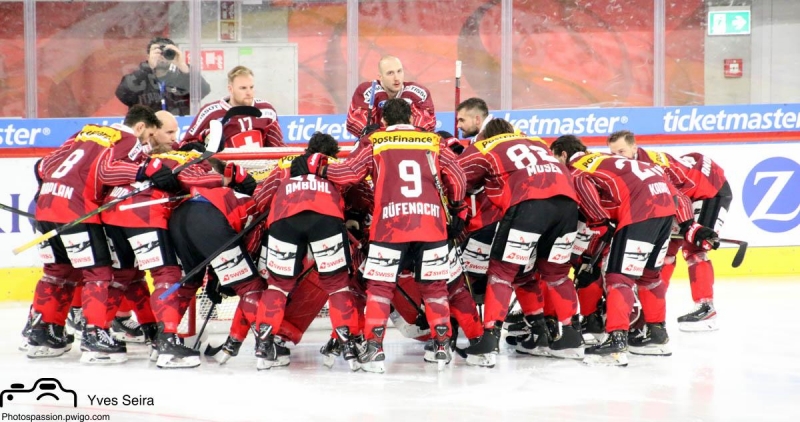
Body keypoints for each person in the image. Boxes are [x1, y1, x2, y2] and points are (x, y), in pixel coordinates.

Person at [292, 98, 466, 373]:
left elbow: (348, 174)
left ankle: (374, 349)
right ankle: (442, 346)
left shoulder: (376, 141)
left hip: (390, 226)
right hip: (430, 224)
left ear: (383, 120)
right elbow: (457, 176)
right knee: (434, 287)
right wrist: (456, 208)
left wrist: (317, 167)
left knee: (380, 288)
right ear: (412, 117)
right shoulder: (433, 141)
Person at [550, 136, 717, 365]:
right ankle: (657, 335)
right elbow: (677, 194)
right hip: (666, 211)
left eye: (555, 158)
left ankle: (616, 341)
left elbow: (591, 205)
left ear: (563, 155)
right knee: (650, 276)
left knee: (619, 278)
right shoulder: (610, 160)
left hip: (639, 212)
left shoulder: (577, 169)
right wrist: (689, 225)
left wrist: (596, 234)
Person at [33, 105, 174, 364]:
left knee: (56, 272)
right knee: (98, 274)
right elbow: (106, 171)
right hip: (77, 211)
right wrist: (144, 170)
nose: (147, 143)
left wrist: (50, 190)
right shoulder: (127, 139)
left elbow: (43, 166)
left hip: (45, 207)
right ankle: (94, 338)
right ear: (140, 127)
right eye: (149, 136)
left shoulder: (85, 132)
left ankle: (41, 334)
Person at [457, 119, 582, 362]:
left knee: (502, 272)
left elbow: (456, 177)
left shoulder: (485, 146)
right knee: (554, 273)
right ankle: (570, 336)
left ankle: (489, 339)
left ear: (484, 135)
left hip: (529, 203)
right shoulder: (537, 142)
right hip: (567, 204)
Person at [248, 133, 363, 370]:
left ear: (307, 149)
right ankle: (348, 346)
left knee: (277, 285)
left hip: (284, 221)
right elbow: (362, 197)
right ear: (332, 153)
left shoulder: (284, 164)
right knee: (337, 285)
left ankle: (263, 346)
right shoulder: (335, 166)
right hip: (326, 219)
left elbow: (260, 199)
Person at [607, 130, 730, 331]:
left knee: (694, 247)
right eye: (613, 153)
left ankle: (706, 307)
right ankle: (650, 308)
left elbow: (678, 197)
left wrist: (690, 227)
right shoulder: (626, 166)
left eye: (622, 151)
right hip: (681, 195)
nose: (617, 157)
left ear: (634, 147)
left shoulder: (653, 167)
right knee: (664, 252)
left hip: (709, 189)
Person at [181, 65, 284, 149]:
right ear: (230, 89)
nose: (249, 92)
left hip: (262, 167)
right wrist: (206, 140)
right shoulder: (210, 113)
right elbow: (186, 144)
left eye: (251, 87)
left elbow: (277, 147)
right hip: (225, 167)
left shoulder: (267, 110)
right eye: (243, 88)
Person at [115, 37, 210, 116]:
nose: (162, 56)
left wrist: (183, 67)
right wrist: (148, 67)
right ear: (148, 56)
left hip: (177, 128)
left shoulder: (181, 78)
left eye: (167, 52)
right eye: (158, 53)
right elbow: (122, 94)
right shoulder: (140, 78)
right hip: (147, 128)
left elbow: (204, 91)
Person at [345, 56, 436, 138]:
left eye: (399, 71)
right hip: (376, 144)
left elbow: (425, 122)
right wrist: (369, 132)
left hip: (411, 144)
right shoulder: (368, 91)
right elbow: (356, 120)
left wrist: (410, 137)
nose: (396, 78)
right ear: (380, 76)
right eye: (390, 73)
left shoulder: (418, 93)